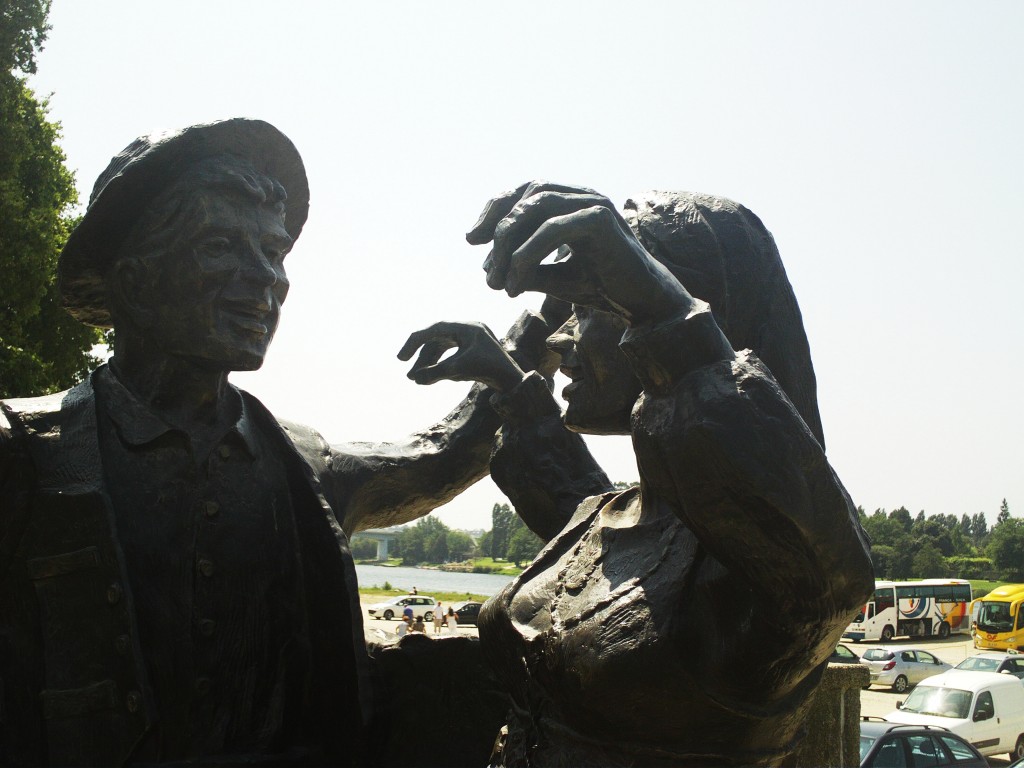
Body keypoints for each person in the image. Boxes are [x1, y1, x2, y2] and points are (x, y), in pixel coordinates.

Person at [0, 121, 560, 768]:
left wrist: (526, 346)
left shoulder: (302, 466)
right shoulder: (25, 454)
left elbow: (442, 457)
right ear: (133, 280)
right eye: (220, 246)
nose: (266, 278)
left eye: (274, 251)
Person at [400, 183, 874, 766]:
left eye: (591, 306)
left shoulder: (752, 573)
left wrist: (666, 313)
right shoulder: (610, 517)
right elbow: (570, 490)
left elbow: (830, 580)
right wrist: (511, 383)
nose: (559, 338)